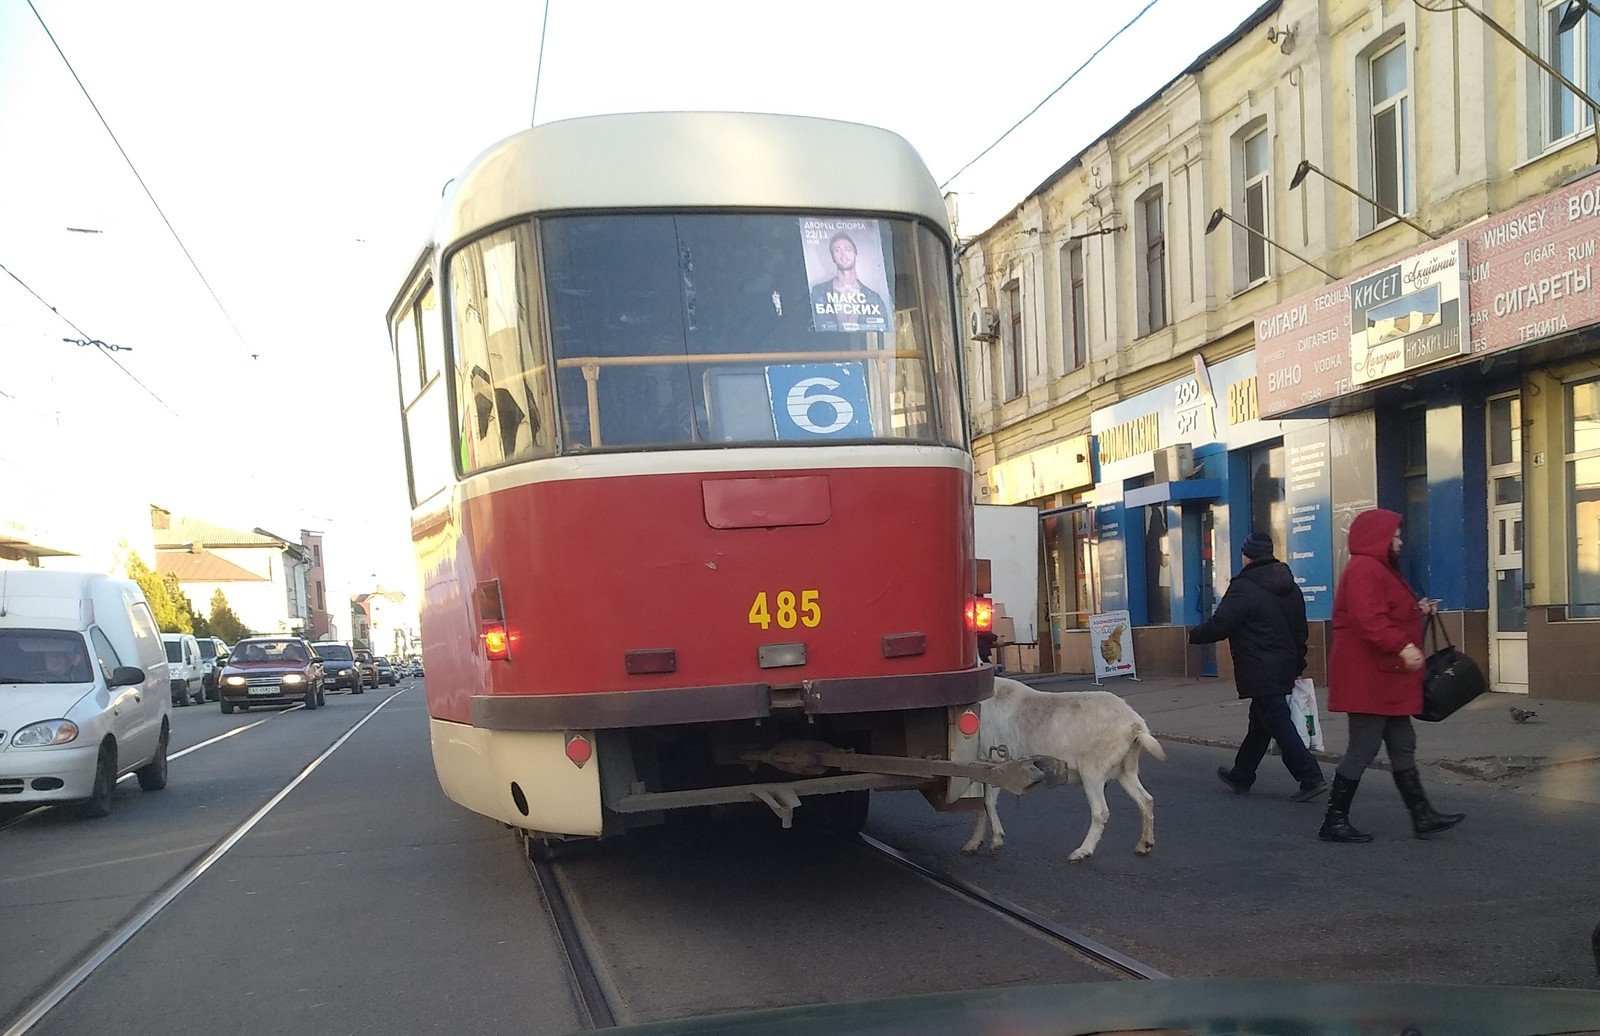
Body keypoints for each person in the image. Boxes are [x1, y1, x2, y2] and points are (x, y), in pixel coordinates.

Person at [1321, 508, 1463, 843]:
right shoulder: (1364, 569)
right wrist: (1403, 646)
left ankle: (1422, 815)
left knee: (1403, 743)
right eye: (1395, 536)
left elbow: (1385, 610)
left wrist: (1417, 610)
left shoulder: (1377, 569)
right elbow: (1369, 620)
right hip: (1369, 678)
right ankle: (1334, 820)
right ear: (1379, 538)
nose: (1399, 542)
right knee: (1363, 747)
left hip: (1385, 677)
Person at [1188, 531, 1327, 802]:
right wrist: (1298, 661)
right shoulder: (1289, 584)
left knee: (1276, 721)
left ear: (1247, 555)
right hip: (1284, 664)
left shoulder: (1245, 586)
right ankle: (1242, 774)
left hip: (1259, 666)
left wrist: (1194, 635)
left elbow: (1222, 623)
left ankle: (1310, 776)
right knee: (1261, 723)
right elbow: (1300, 629)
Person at [809, 232, 889, 332]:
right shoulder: (818, 293)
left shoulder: (874, 299)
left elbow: (883, 333)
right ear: (832, 257)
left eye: (848, 249)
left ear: (856, 254)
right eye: (837, 250)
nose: (843, 254)